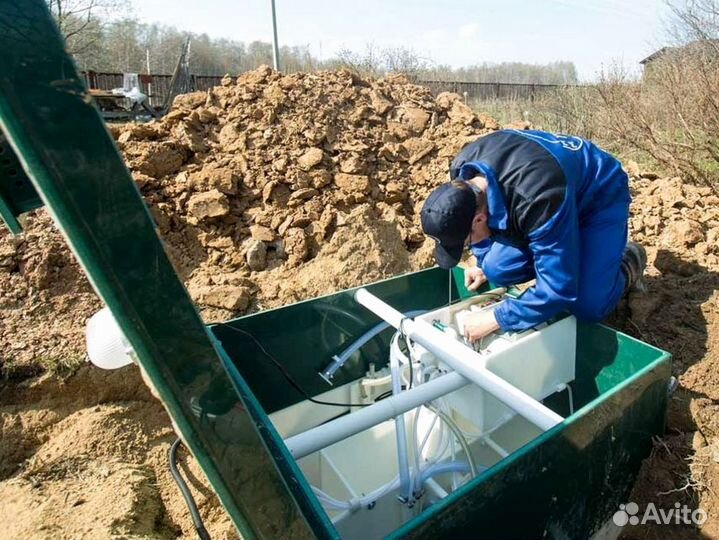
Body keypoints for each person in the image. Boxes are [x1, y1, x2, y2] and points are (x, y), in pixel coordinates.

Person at [420, 129, 646, 342]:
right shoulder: (463, 176)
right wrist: (483, 261)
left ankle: (630, 260)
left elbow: (558, 290)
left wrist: (496, 318)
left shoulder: (537, 199)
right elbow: (491, 217)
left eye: (467, 243)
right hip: (553, 195)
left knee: (587, 305)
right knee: (495, 267)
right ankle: (571, 252)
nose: (469, 247)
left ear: (479, 219)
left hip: (597, 196)